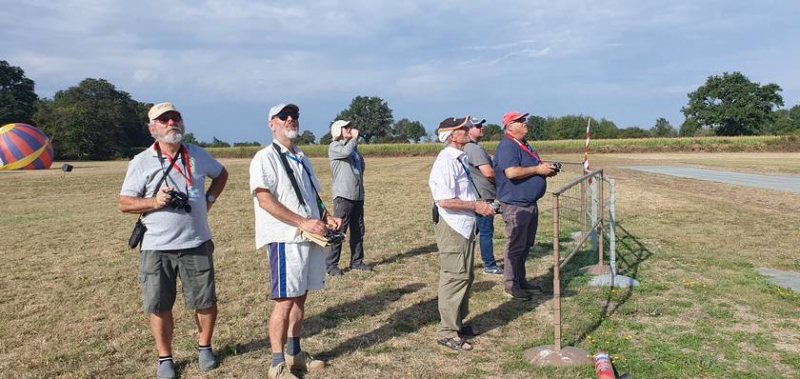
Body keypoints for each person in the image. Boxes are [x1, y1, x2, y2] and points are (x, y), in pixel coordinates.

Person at [119, 102, 229, 379]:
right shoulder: (141, 161)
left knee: (205, 300)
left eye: (175, 118)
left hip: (196, 242)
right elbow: (124, 203)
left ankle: (205, 347)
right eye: (164, 120)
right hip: (156, 247)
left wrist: (209, 200)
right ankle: (165, 357)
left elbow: (221, 174)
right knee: (158, 304)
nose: (171, 124)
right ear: (152, 128)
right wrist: (154, 202)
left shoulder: (197, 155)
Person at [249, 103, 342, 379]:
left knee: (300, 298)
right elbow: (264, 199)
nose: (291, 119)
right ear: (271, 124)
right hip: (284, 238)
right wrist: (301, 222)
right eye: (283, 116)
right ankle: (276, 364)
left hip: (309, 237)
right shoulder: (264, 158)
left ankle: (295, 353)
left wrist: (326, 217)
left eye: (294, 116)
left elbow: (312, 196)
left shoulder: (301, 156)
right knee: (285, 301)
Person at [429, 116, 497, 352]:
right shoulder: (446, 161)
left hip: (464, 225)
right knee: (454, 277)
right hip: (453, 226)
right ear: (452, 136)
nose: (469, 130)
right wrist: (476, 206)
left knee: (466, 276)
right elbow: (444, 200)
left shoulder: (459, 158)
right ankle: (447, 332)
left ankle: (457, 324)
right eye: (463, 128)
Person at [493, 111, 557, 301]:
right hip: (515, 204)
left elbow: (528, 169)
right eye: (520, 121)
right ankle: (511, 285)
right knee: (515, 244)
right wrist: (537, 169)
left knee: (526, 244)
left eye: (524, 120)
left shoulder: (523, 144)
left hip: (528, 203)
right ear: (510, 126)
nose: (525, 123)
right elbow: (512, 172)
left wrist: (544, 171)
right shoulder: (507, 146)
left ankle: (520, 279)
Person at [326, 119, 371, 276]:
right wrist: (353, 140)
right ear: (338, 131)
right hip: (343, 196)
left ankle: (357, 261)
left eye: (349, 127)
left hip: (357, 195)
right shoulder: (335, 147)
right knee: (339, 231)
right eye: (345, 127)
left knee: (358, 230)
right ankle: (331, 265)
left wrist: (353, 143)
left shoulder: (353, 147)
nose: (349, 129)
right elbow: (345, 152)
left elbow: (361, 165)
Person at [462, 117, 503, 275]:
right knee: (486, 231)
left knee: (474, 231)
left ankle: (464, 260)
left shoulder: (466, 148)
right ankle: (489, 265)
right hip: (483, 197)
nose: (481, 128)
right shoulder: (474, 149)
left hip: (476, 195)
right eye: (477, 126)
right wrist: (503, 181)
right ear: (468, 130)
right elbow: (489, 173)